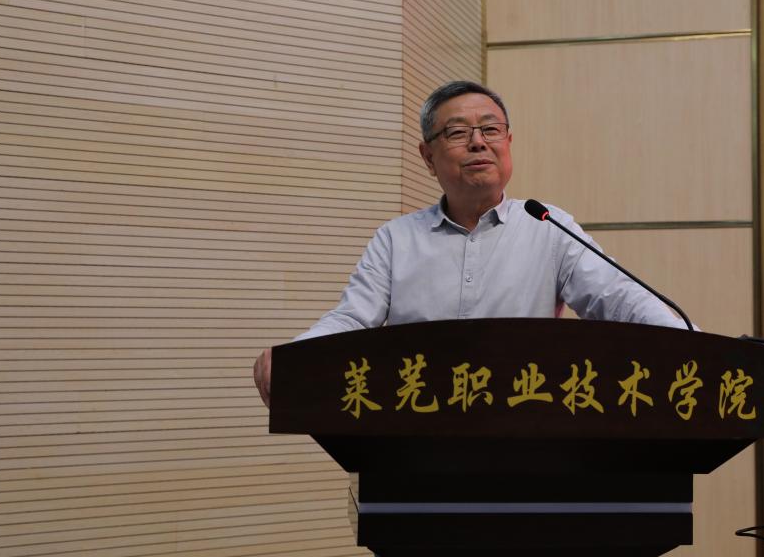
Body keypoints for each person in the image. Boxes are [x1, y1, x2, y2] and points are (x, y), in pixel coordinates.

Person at [253, 80, 688, 406]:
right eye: (457, 133)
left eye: (491, 129)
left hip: (524, 427)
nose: (478, 142)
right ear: (428, 157)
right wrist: (295, 356)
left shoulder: (549, 227)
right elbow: (352, 319)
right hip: (414, 432)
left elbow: (618, 297)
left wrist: (692, 346)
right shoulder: (396, 239)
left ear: (508, 143)